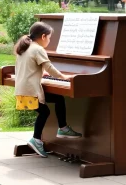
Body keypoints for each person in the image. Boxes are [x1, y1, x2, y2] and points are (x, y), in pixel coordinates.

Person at [14, 22, 82, 158]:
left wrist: (41, 73)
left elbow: (31, 67)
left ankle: (62, 128)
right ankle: (36, 139)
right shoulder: (38, 49)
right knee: (44, 112)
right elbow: (49, 67)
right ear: (43, 36)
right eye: (49, 38)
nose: (49, 41)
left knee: (57, 98)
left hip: (23, 89)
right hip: (30, 91)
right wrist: (63, 77)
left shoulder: (25, 47)